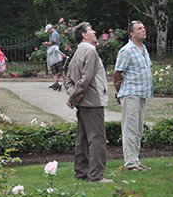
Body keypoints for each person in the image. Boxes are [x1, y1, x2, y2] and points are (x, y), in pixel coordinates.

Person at [64, 22, 112, 184]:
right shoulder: (90, 51)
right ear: (84, 35)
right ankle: (96, 175)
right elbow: (86, 78)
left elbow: (68, 80)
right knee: (97, 139)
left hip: (83, 102)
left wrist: (73, 96)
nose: (95, 32)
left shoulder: (77, 52)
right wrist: (75, 96)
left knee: (83, 139)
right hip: (93, 102)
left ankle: (81, 172)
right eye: (91, 30)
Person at [113, 20, 154, 171]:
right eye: (139, 28)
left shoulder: (143, 48)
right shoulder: (126, 50)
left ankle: (135, 160)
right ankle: (130, 163)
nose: (143, 30)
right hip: (130, 94)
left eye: (143, 27)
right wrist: (119, 93)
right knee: (130, 129)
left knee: (138, 129)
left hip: (142, 94)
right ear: (131, 33)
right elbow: (117, 73)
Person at [44, 23, 67, 89]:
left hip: (55, 55)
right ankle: (56, 83)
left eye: (48, 30)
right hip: (54, 55)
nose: (48, 32)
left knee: (59, 70)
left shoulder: (54, 34)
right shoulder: (53, 34)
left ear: (50, 29)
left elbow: (54, 42)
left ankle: (66, 83)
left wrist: (47, 44)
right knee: (56, 70)